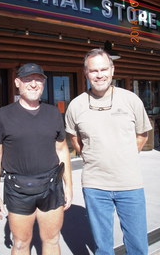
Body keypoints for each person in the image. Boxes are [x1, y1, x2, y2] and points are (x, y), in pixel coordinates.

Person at [65, 48, 152, 255]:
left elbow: (142, 135)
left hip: (130, 184)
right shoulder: (76, 106)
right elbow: (74, 138)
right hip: (95, 186)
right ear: (86, 73)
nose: (99, 75)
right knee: (103, 247)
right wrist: (93, 156)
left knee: (138, 244)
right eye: (93, 70)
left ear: (113, 70)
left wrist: (125, 156)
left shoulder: (131, 100)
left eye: (104, 69)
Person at [0, 63, 72, 255]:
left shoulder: (53, 113)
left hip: (52, 186)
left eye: (38, 79)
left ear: (43, 83)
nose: (33, 84)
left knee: (52, 239)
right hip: (18, 190)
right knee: (20, 243)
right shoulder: (2, 116)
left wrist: (69, 186)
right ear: (17, 82)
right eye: (27, 79)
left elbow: (62, 150)